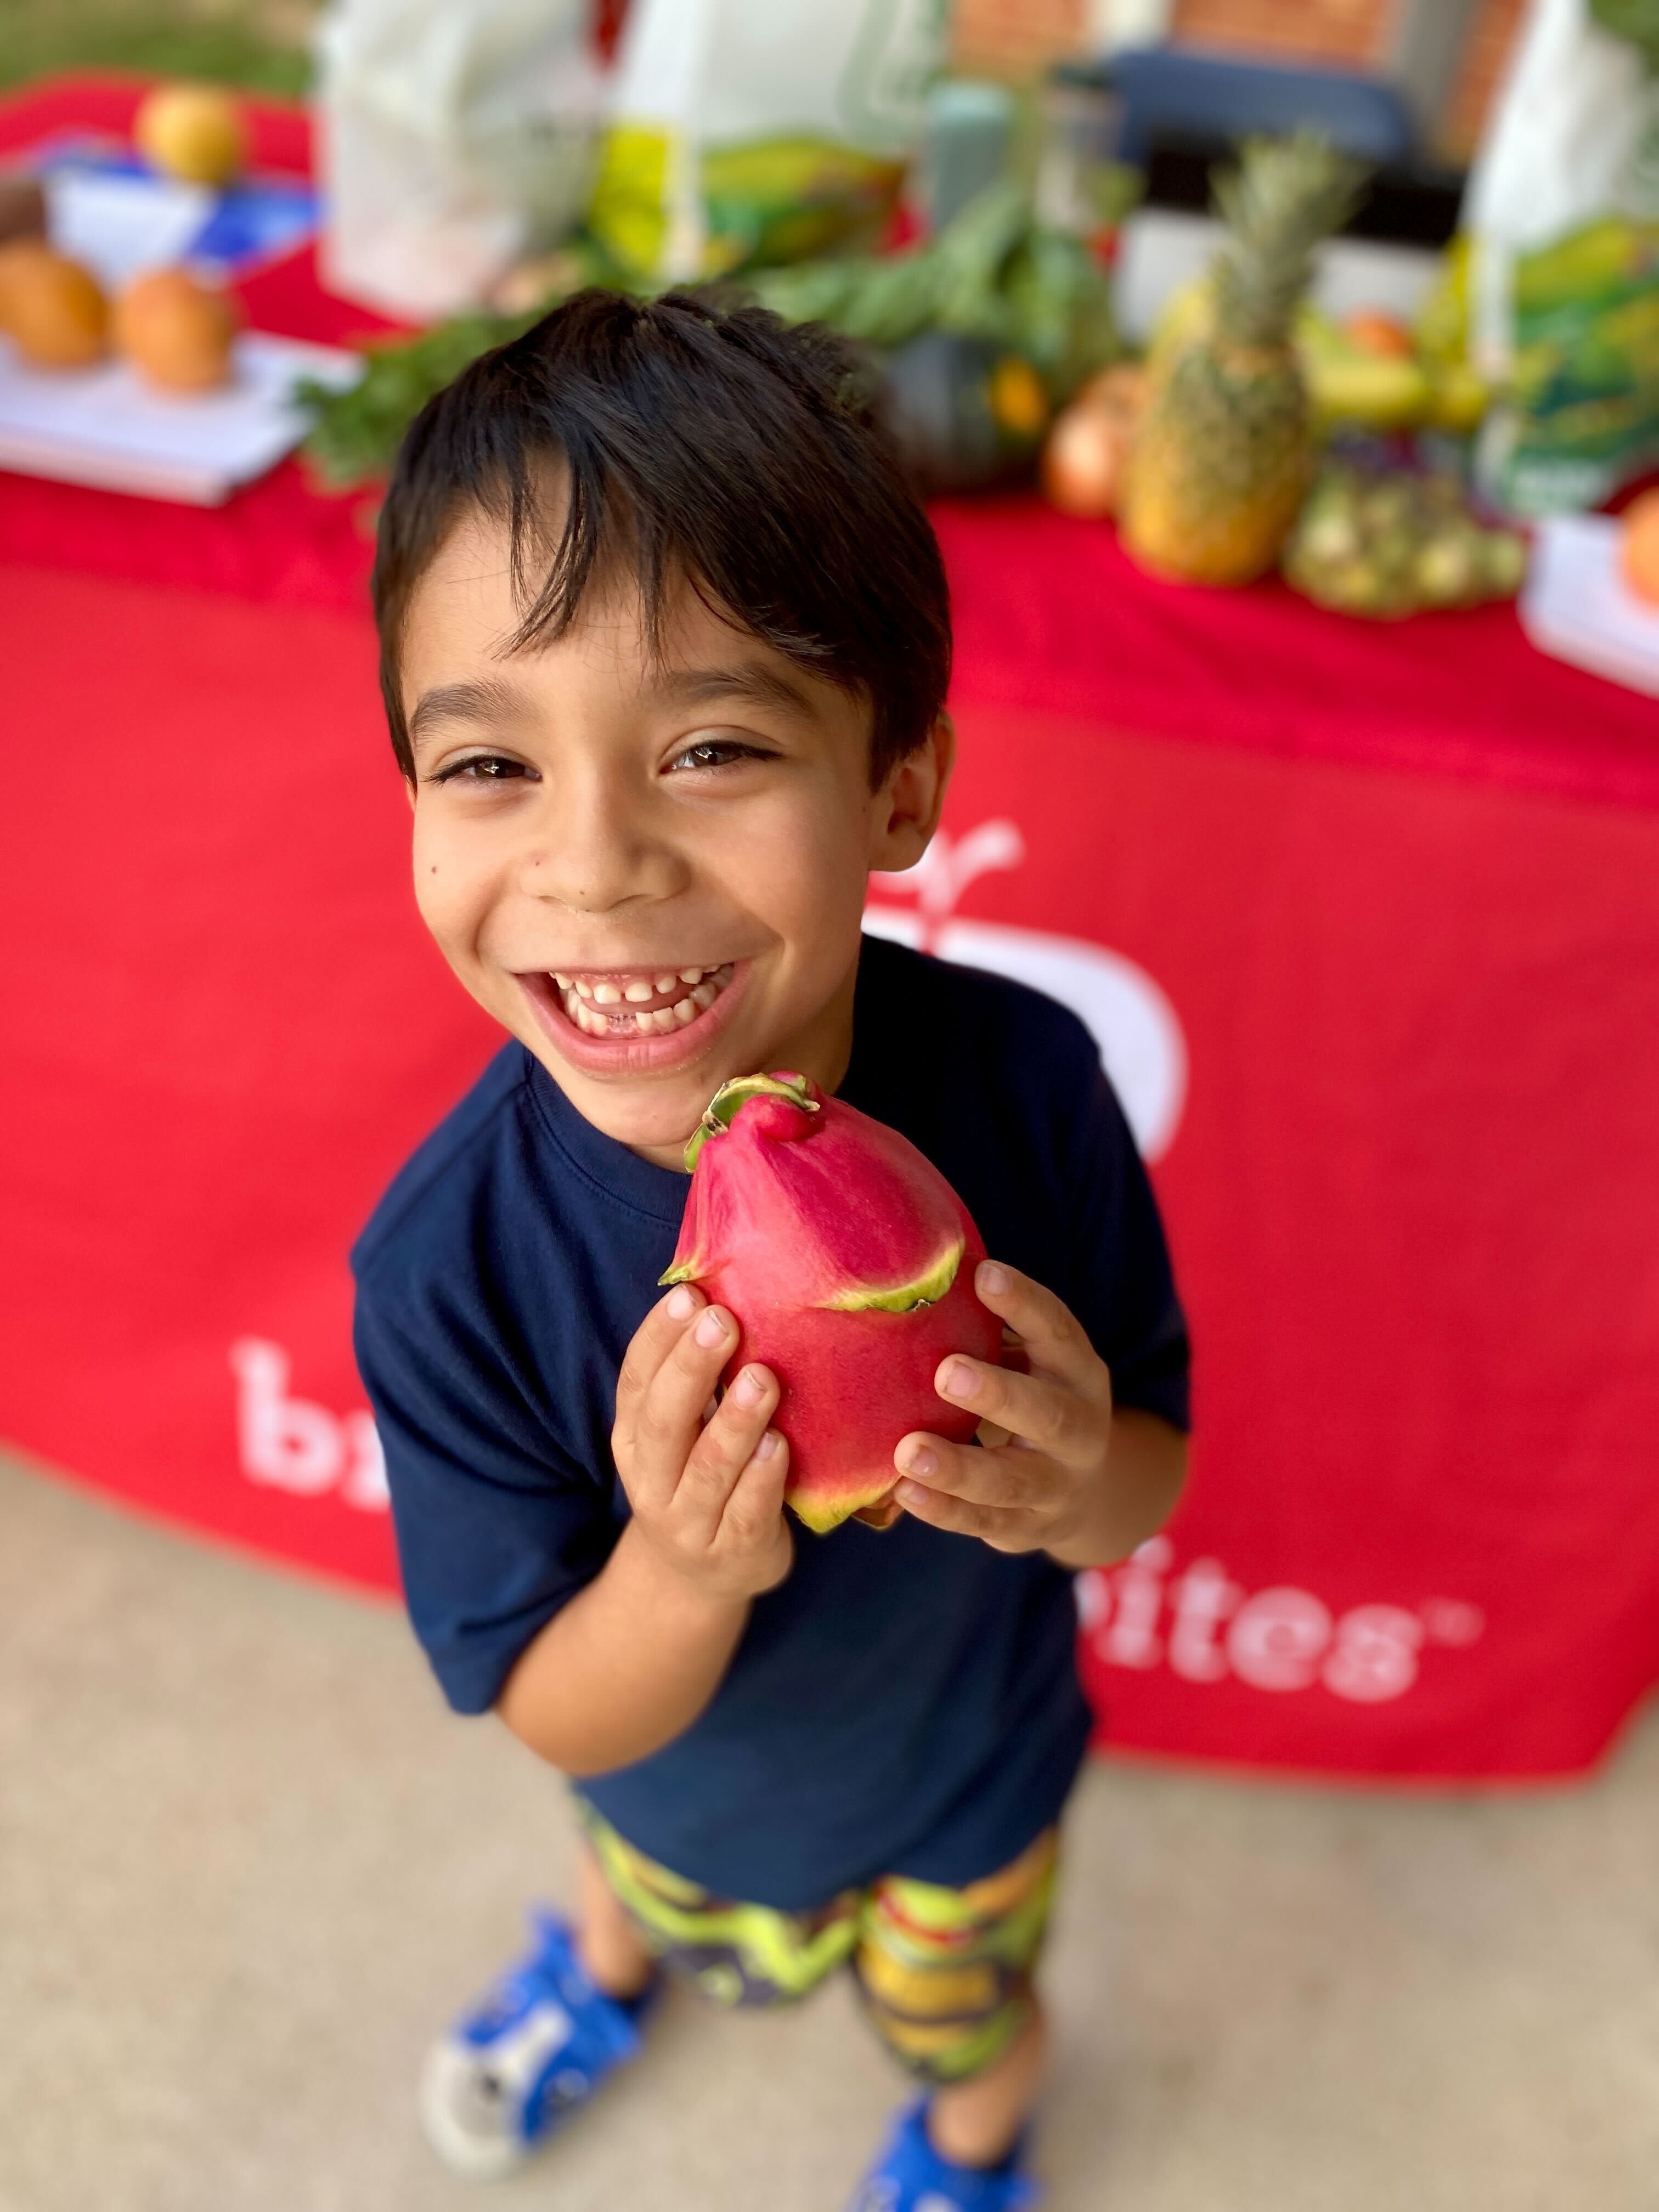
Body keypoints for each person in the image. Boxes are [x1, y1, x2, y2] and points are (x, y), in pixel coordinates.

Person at [351, 288, 1190, 2212]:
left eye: (713, 745)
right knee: (631, 1868)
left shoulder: (1029, 1083)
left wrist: (1069, 1482)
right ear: (409, 802)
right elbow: (552, 1699)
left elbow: (1150, 1481)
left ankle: (971, 2152)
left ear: (897, 787)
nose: (594, 864)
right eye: (489, 767)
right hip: (671, 1796)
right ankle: (608, 1961)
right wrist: (681, 1562)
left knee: (973, 2021)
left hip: (968, 1790)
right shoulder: (449, 1264)